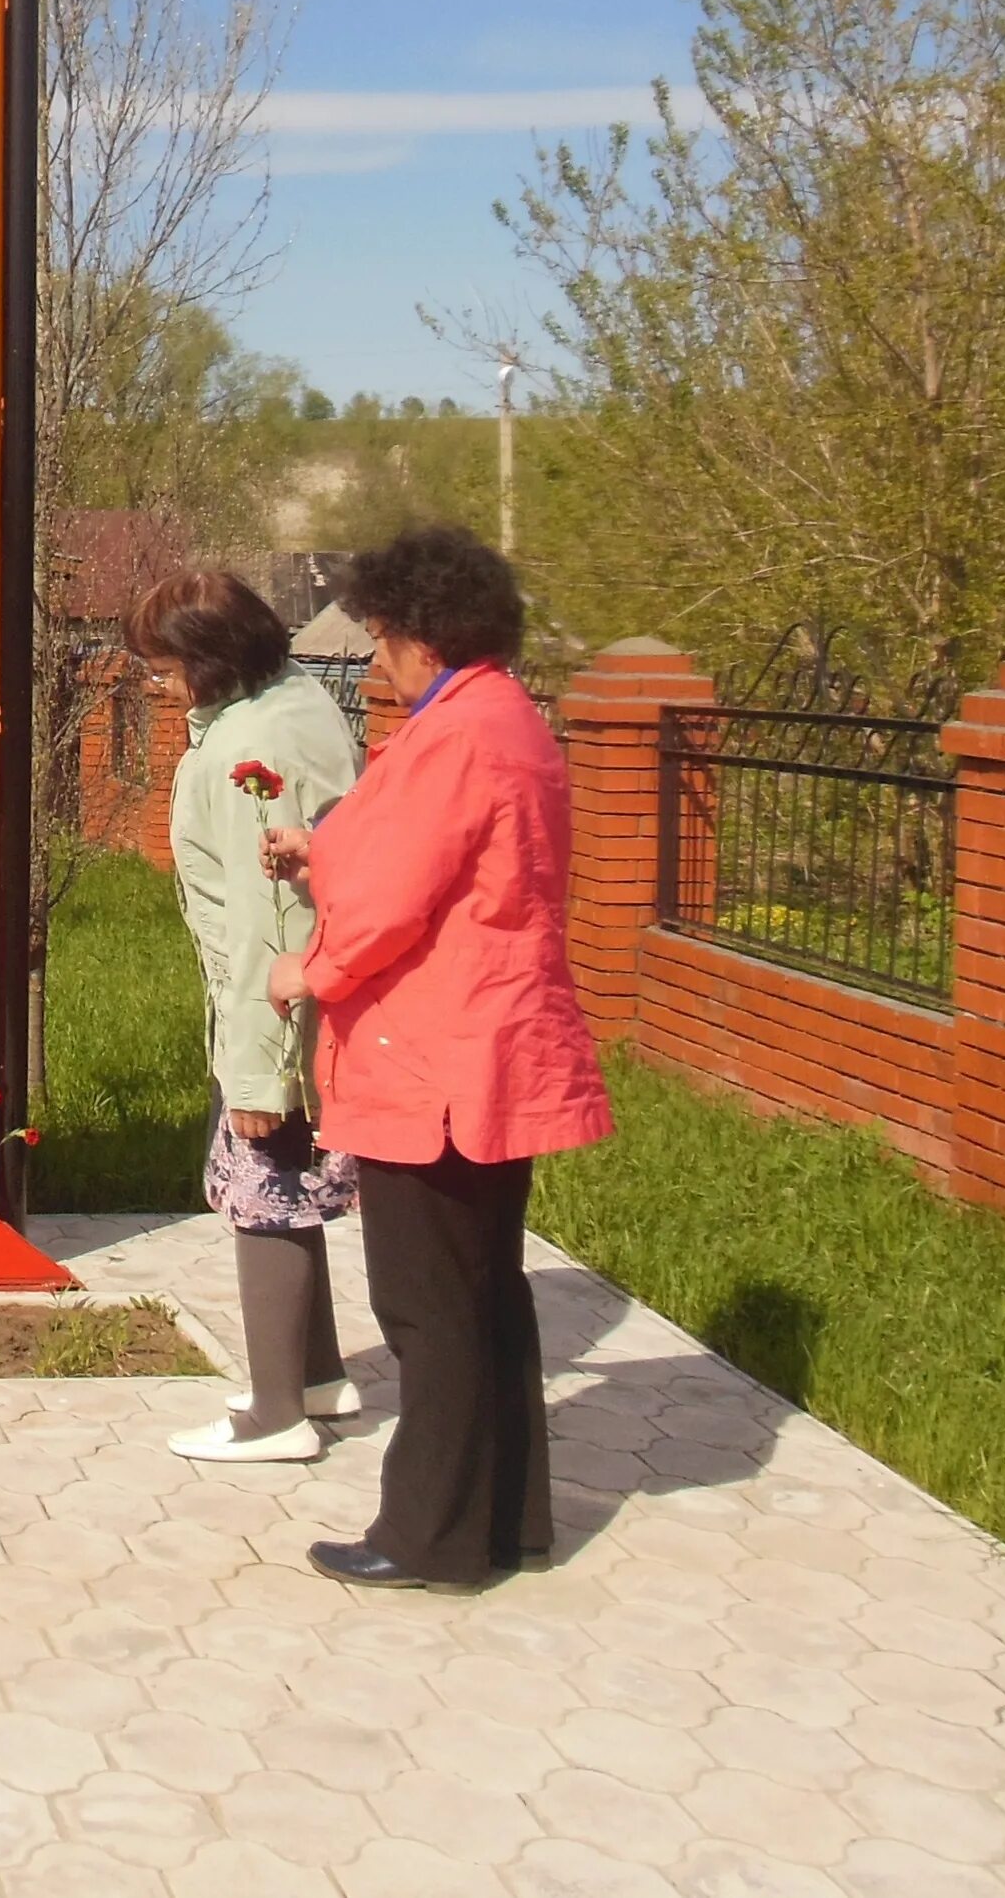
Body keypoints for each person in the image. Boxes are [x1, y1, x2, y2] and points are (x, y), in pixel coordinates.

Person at [262, 527, 612, 1588]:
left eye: (378, 639)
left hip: (436, 1060)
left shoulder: (454, 737)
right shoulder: (503, 719)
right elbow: (436, 859)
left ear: (422, 634)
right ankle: (510, 1520)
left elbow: (392, 897)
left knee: (429, 1307)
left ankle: (432, 1535)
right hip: (492, 1048)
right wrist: (323, 852)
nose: (374, 662)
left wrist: (308, 969)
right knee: (485, 1293)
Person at [127, 571, 363, 1464]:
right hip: (319, 999)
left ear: (209, 660)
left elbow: (269, 918)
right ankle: (313, 1373)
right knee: (292, 1184)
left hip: (278, 1008)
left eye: (167, 665)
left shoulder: (247, 753)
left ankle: (276, 1415)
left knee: (262, 1188)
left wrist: (257, 1067)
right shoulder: (299, 704)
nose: (160, 683)